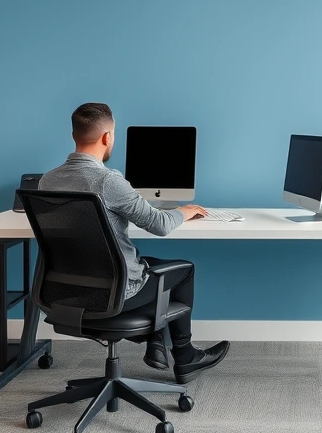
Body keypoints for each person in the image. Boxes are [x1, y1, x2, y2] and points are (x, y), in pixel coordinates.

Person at [39, 102, 229, 384]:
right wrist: (184, 211)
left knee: (148, 264)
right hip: (114, 294)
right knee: (183, 270)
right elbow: (160, 225)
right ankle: (185, 356)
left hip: (66, 294)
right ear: (107, 137)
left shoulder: (47, 181)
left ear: (74, 135)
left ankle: (156, 340)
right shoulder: (108, 181)